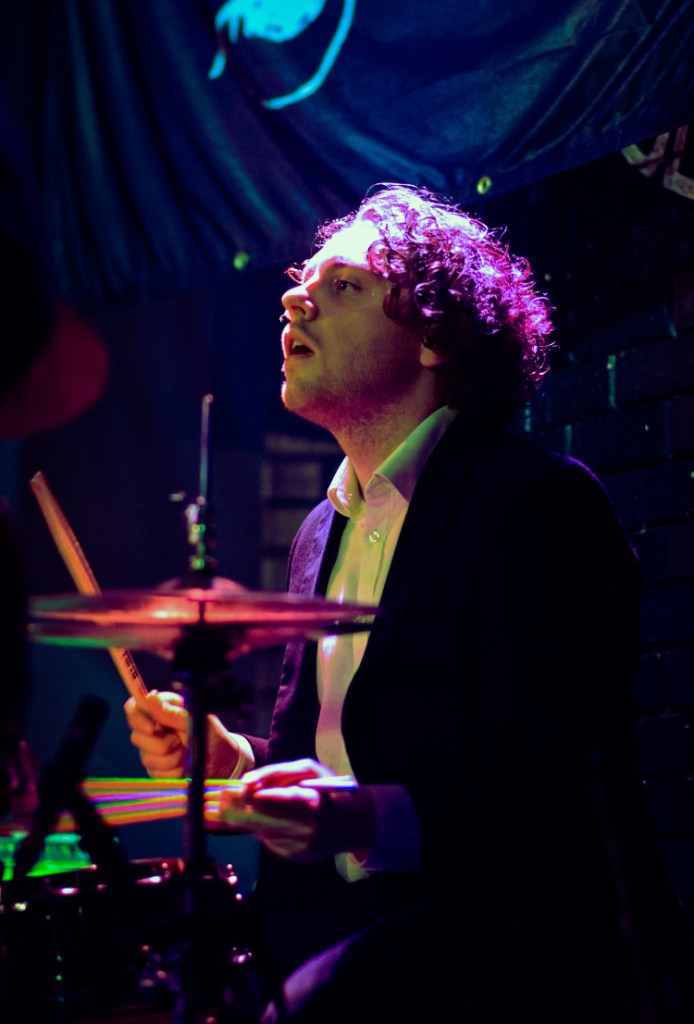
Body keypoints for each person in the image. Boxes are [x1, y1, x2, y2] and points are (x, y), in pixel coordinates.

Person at [126, 184, 694, 1022]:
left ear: (434, 336)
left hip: (514, 956)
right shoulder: (320, 531)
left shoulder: (538, 501)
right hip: (343, 935)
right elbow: (337, 756)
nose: (294, 300)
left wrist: (359, 819)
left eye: (343, 286)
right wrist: (236, 761)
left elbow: (553, 788)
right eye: (299, 283)